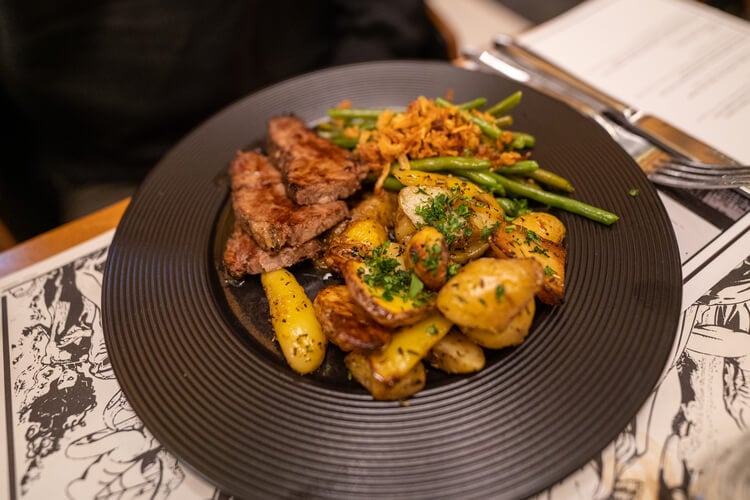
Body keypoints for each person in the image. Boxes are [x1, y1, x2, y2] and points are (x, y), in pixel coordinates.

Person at [0, 1, 448, 240]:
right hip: (116, 172)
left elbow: (384, 14)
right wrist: (39, 237)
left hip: (316, 111)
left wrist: (343, 112)